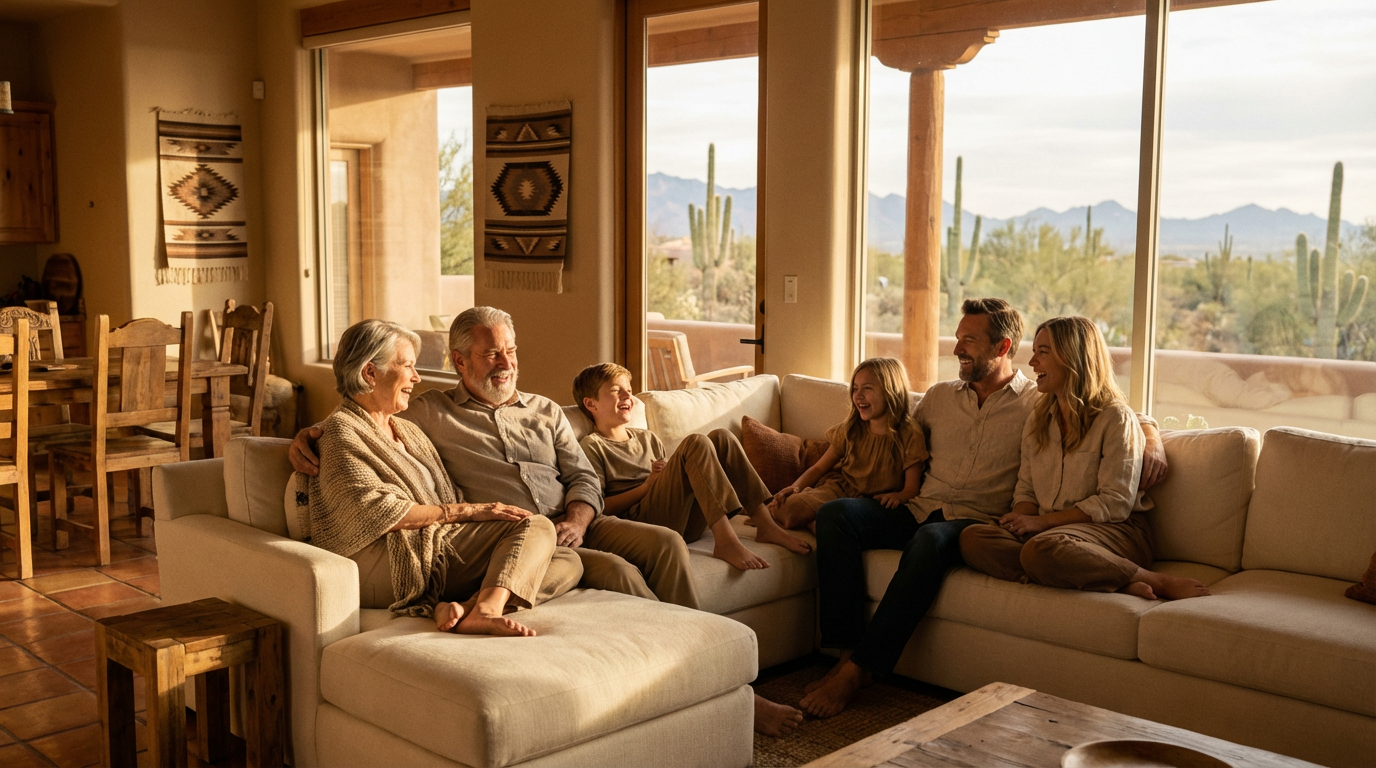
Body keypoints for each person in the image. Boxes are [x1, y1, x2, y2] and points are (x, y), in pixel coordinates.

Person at [800, 298, 1171, 718]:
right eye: (957, 338)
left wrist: (1152, 435)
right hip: (920, 507)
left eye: (969, 341)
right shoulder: (939, 397)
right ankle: (848, 652)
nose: (957, 348)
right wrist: (812, 479)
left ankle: (861, 669)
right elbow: (890, 428)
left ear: (1002, 346)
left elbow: (1107, 405)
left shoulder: (1038, 401)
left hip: (971, 521)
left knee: (929, 541)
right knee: (838, 515)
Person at [291, 307, 700, 608]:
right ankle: (695, 667)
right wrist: (311, 433)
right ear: (460, 361)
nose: (507, 363)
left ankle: (713, 648)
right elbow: (365, 417)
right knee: (619, 571)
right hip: (514, 536)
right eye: (492, 355)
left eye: (511, 351)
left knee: (666, 543)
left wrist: (578, 519)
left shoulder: (545, 410)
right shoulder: (431, 412)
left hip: (578, 524)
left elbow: (584, 477)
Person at [304, 319, 582, 636]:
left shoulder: (404, 428)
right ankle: (488, 610)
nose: (416, 377)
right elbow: (374, 509)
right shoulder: (342, 431)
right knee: (536, 525)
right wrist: (470, 511)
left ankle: (468, 607)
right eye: (407, 366)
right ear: (370, 373)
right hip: (392, 558)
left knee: (566, 562)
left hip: (435, 543)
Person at [958, 316, 1210, 601]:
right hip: (1053, 534)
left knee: (1041, 549)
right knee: (973, 538)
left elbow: (1115, 503)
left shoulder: (1115, 417)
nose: (1032, 363)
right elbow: (1026, 489)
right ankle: (1109, 580)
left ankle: (1151, 579)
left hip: (1112, 531)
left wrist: (1043, 524)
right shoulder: (1039, 419)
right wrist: (1021, 519)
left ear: (1073, 358)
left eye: (1043, 352)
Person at [574, 362, 811, 570]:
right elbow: (598, 508)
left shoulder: (647, 438)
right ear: (591, 404)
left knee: (722, 438)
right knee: (695, 442)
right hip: (645, 526)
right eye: (616, 391)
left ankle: (766, 525)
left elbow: (671, 485)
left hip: (683, 521)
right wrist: (647, 487)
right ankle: (726, 542)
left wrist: (666, 476)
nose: (627, 396)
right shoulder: (593, 446)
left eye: (629, 390)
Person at [764, 357, 928, 532]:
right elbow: (819, 468)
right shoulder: (851, 429)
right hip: (838, 489)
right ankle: (778, 518)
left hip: (869, 503)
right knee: (790, 509)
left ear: (891, 391)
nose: (858, 396)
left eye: (867, 388)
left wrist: (899, 496)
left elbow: (911, 488)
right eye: (855, 389)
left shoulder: (910, 434)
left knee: (832, 523)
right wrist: (794, 487)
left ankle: (817, 524)